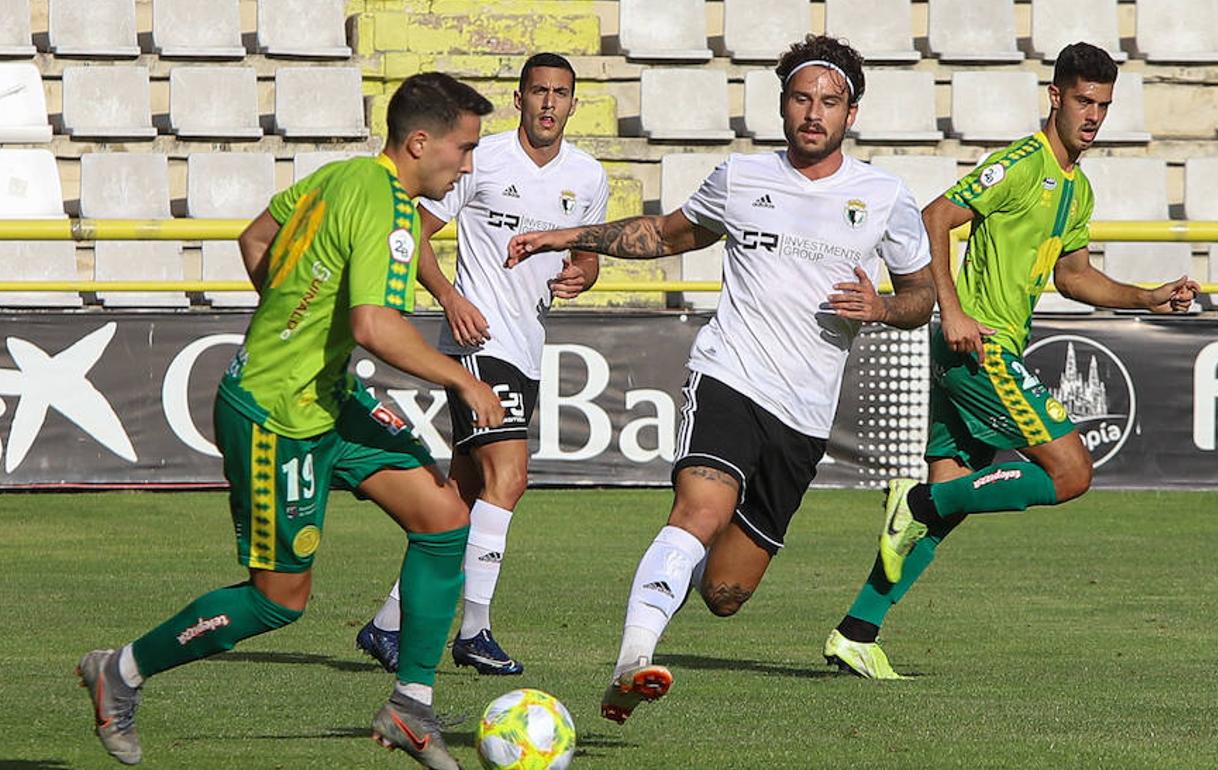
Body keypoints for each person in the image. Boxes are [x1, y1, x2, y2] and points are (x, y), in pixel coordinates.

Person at [77, 72, 503, 770]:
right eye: (464, 147)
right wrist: (460, 377)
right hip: (277, 417)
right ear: (420, 142)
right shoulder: (390, 210)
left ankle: (410, 706)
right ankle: (119, 672)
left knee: (444, 518)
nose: (468, 163)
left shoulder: (341, 177)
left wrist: (290, 320)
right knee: (279, 602)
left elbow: (256, 237)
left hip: (326, 397)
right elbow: (374, 325)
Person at [507, 34, 936, 723]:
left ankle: (675, 577)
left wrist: (884, 306)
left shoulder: (885, 198)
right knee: (697, 513)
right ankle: (632, 658)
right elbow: (664, 235)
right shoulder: (740, 179)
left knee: (727, 592)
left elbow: (922, 297)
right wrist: (572, 236)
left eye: (829, 101)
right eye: (801, 98)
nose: (813, 113)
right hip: (730, 374)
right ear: (782, 104)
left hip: (803, 416)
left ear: (851, 113)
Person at [823, 42, 1201, 679]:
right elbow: (934, 217)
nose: (1093, 116)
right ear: (1056, 97)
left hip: (976, 349)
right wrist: (954, 309)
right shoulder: (1021, 165)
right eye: (1083, 100)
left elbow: (1074, 276)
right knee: (1070, 472)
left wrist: (1146, 297)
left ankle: (856, 632)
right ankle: (910, 503)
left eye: (1103, 105)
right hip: (978, 346)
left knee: (951, 499)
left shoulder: (1077, 189)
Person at [355, 52, 608, 677]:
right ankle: (475, 630)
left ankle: (388, 623)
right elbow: (413, 225)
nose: (549, 102)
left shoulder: (589, 176)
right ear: (519, 99)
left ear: (574, 104)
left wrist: (582, 273)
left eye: (561, 93)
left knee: (462, 498)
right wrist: (449, 296)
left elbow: (591, 254)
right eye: (538, 91)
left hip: (528, 345)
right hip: (480, 342)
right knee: (510, 478)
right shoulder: (482, 158)